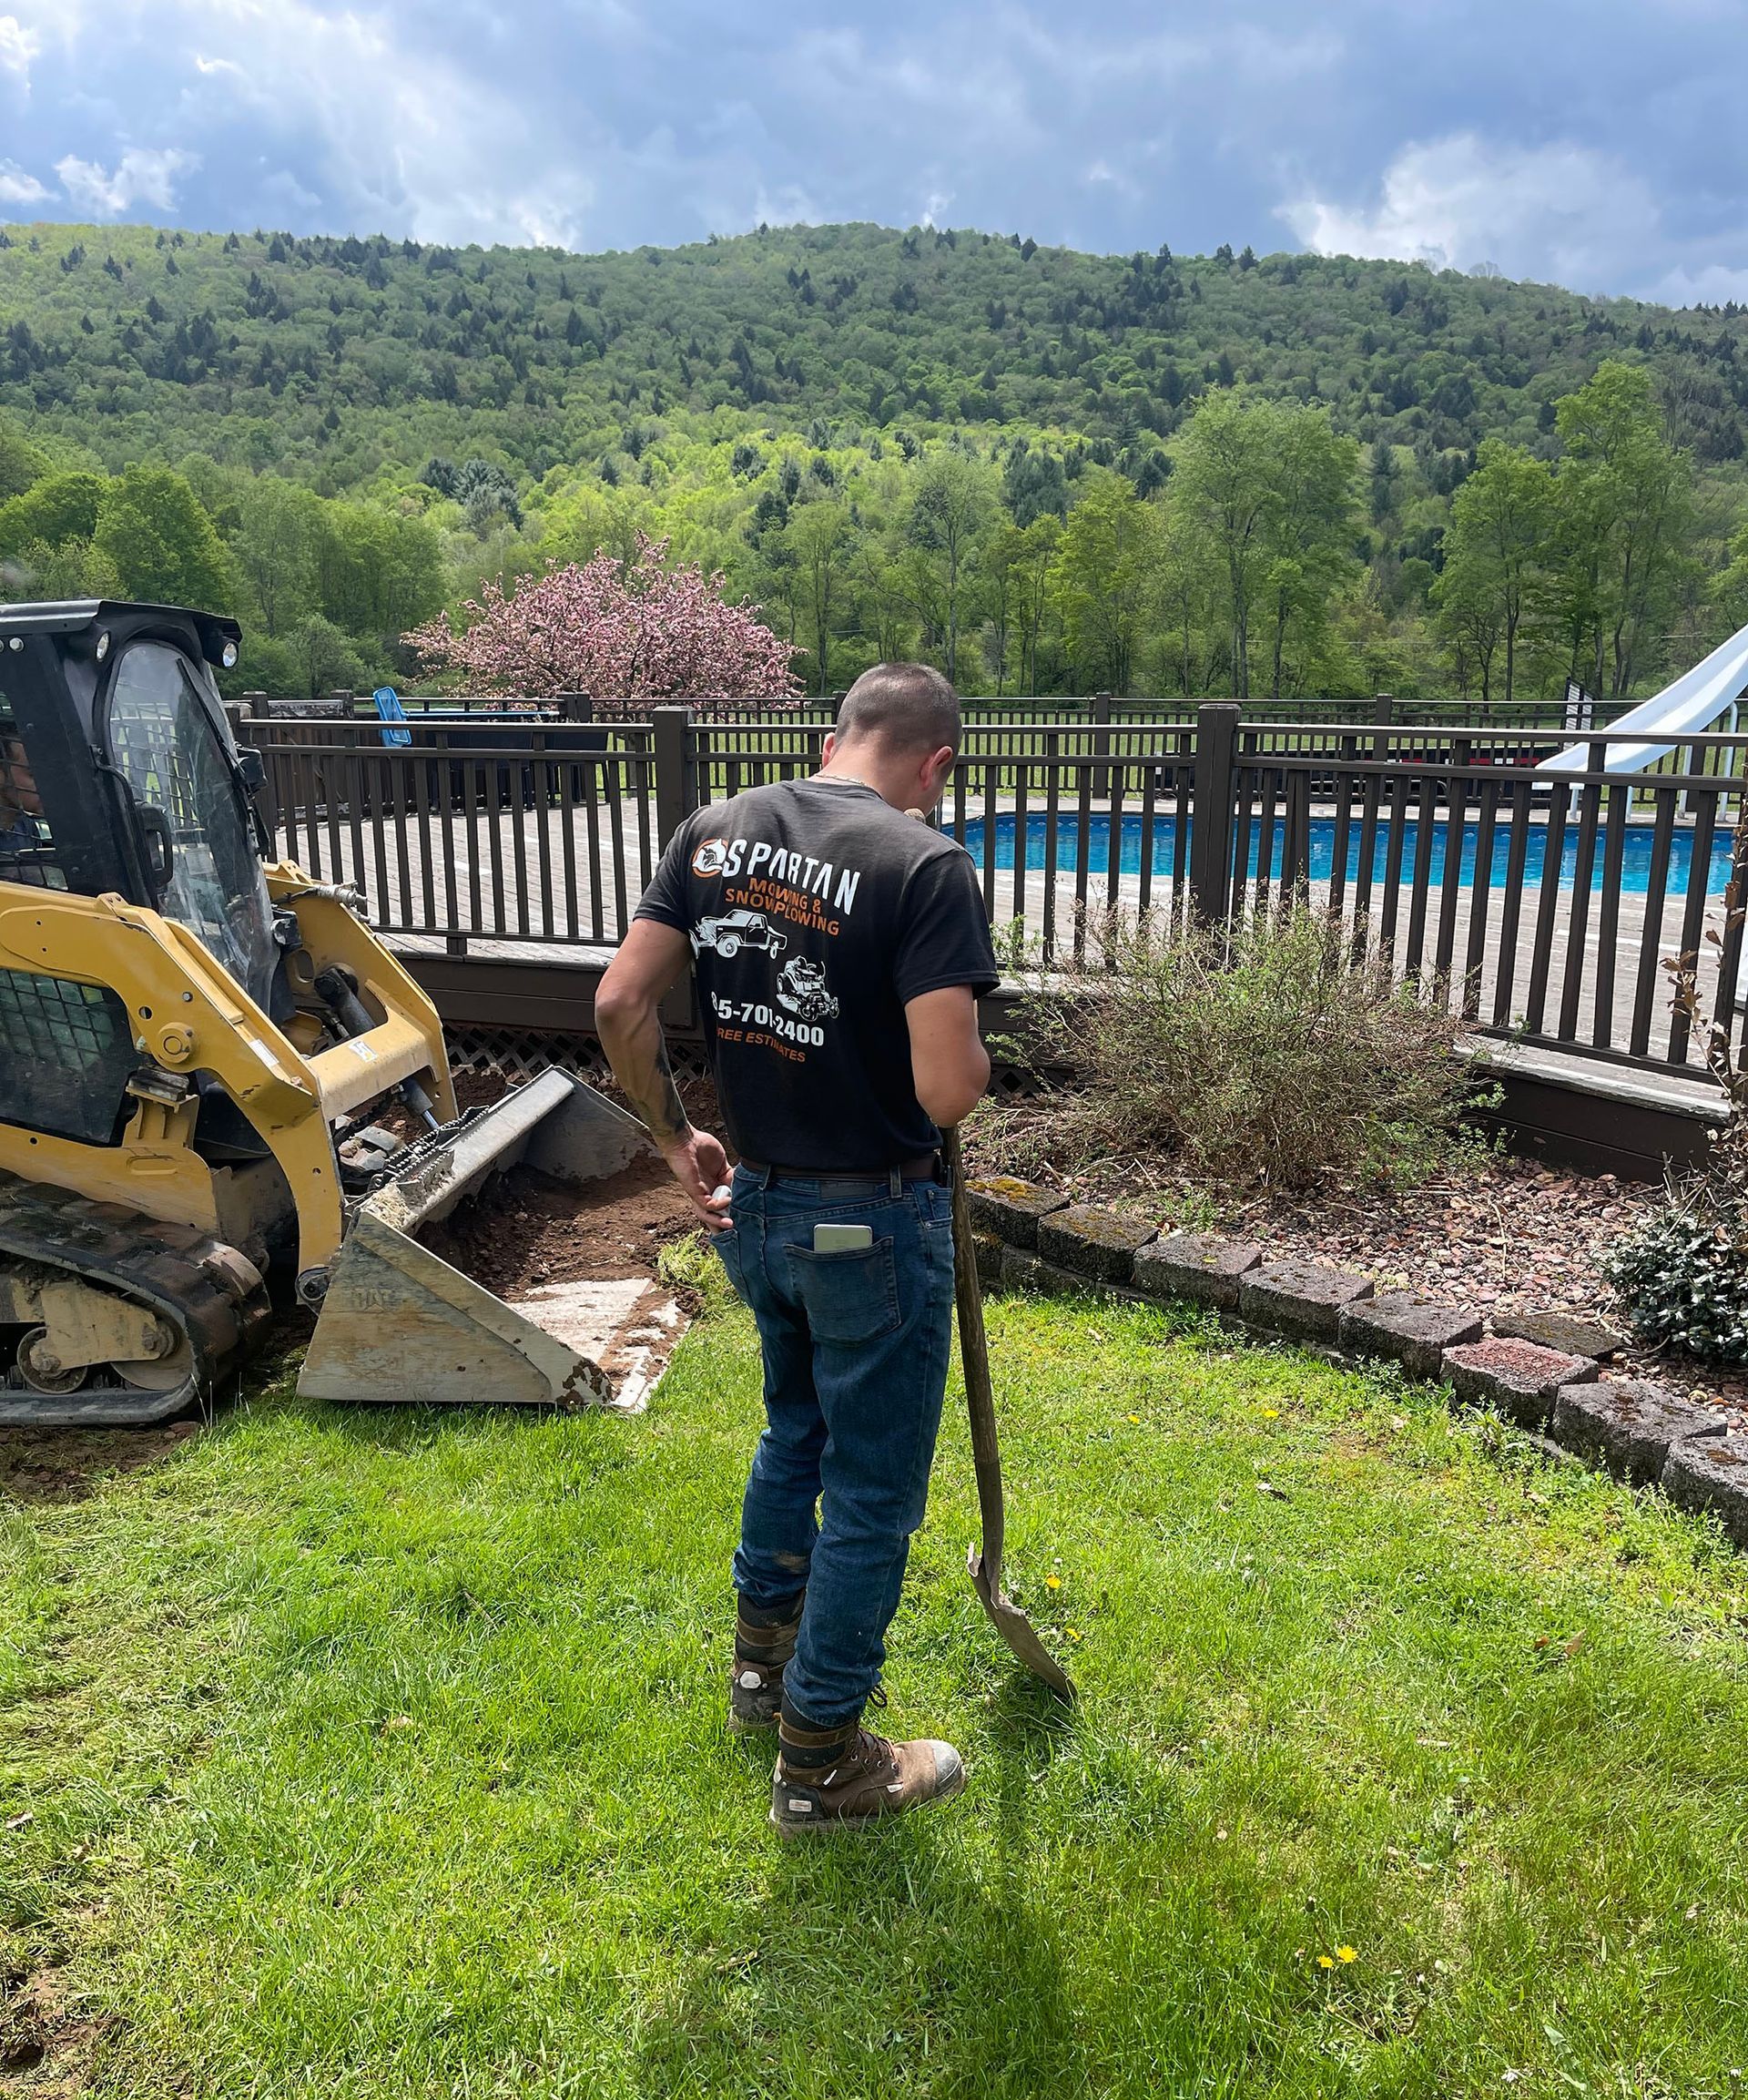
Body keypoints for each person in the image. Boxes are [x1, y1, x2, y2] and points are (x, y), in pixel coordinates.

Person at [595, 663, 997, 1838]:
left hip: (758, 1212)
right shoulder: (926, 866)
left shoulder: (715, 832)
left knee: (794, 1436)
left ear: (838, 735)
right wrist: (973, 1052)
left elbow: (622, 1004)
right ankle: (821, 1763)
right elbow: (946, 1088)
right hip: (868, 1221)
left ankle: (762, 1677)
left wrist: (674, 1141)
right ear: (935, 765)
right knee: (870, 1495)